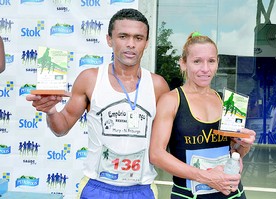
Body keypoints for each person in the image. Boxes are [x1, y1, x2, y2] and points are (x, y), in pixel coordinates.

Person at [26, 8, 169, 199]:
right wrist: (51, 111)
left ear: (146, 43)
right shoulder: (90, 79)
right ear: (109, 39)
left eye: (138, 38)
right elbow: (61, 128)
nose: (130, 44)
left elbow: (168, 142)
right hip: (97, 188)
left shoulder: (158, 85)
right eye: (123, 36)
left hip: (141, 189)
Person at [150, 32, 256, 199]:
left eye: (211, 61)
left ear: (217, 63)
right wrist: (206, 177)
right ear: (183, 63)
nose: (205, 69)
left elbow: (236, 153)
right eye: (197, 61)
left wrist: (245, 144)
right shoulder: (171, 100)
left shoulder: (229, 102)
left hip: (232, 193)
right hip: (188, 194)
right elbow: (156, 154)